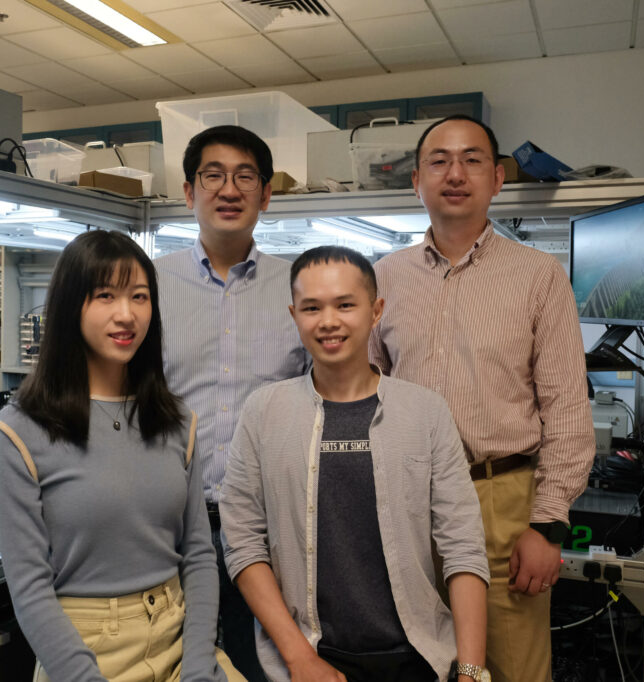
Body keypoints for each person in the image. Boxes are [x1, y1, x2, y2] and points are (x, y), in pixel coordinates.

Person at [369, 115, 595, 682]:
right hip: (405, 501)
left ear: (496, 180)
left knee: (513, 669)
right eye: (439, 161)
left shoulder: (539, 276)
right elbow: (365, 395)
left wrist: (548, 526)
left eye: (471, 160)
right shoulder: (381, 279)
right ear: (416, 181)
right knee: (412, 663)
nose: (455, 173)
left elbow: (566, 406)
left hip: (503, 502)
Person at [220, 245, 491, 682]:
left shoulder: (425, 412)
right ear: (294, 316)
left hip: (417, 658)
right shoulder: (264, 411)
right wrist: (299, 659)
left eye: (345, 305)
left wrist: (472, 672)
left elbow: (462, 547)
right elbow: (242, 540)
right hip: (308, 658)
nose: (328, 321)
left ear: (375, 310)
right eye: (311, 307)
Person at [0, 230, 242, 682]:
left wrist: (201, 666)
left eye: (139, 296)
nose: (126, 315)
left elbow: (200, 556)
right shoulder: (20, 432)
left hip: (181, 637)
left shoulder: (177, 421)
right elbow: (29, 588)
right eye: (105, 295)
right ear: (71, 306)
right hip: (84, 651)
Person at [155, 125, 309, 680]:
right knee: (169, 662)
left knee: (261, 663)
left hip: (268, 528)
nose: (229, 189)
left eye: (245, 176)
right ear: (189, 191)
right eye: (213, 175)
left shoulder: (299, 290)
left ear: (266, 195)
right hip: (167, 523)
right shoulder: (150, 284)